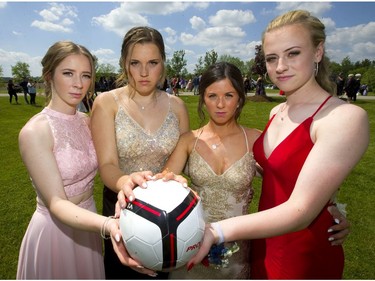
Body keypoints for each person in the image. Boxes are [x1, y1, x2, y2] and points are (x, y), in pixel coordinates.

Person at [187, 10, 369, 279]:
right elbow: (279, 171)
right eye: (272, 58)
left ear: (318, 51)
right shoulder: (277, 113)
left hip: (302, 252)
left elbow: (301, 211)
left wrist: (217, 230)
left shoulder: (344, 117)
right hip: (261, 240)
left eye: (293, 53)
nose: (280, 66)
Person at [16, 41, 129, 279]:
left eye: (85, 75)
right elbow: (56, 202)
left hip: (87, 225)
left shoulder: (87, 121)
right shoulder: (36, 131)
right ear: (49, 76)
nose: (79, 84)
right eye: (68, 73)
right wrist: (107, 224)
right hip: (56, 232)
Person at [91, 26, 190, 279]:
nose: (144, 72)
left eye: (153, 62)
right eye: (135, 63)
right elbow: (107, 165)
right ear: (124, 63)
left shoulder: (177, 106)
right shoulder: (106, 102)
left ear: (164, 63)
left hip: (169, 214)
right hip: (121, 207)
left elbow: (181, 161)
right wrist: (127, 183)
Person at [159, 62, 261, 279]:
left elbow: (290, 182)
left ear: (240, 98)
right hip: (191, 247)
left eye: (229, 95)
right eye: (212, 96)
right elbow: (164, 184)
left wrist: (333, 210)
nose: (221, 104)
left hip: (237, 253)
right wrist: (171, 180)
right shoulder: (189, 141)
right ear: (203, 99)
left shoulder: (256, 139)